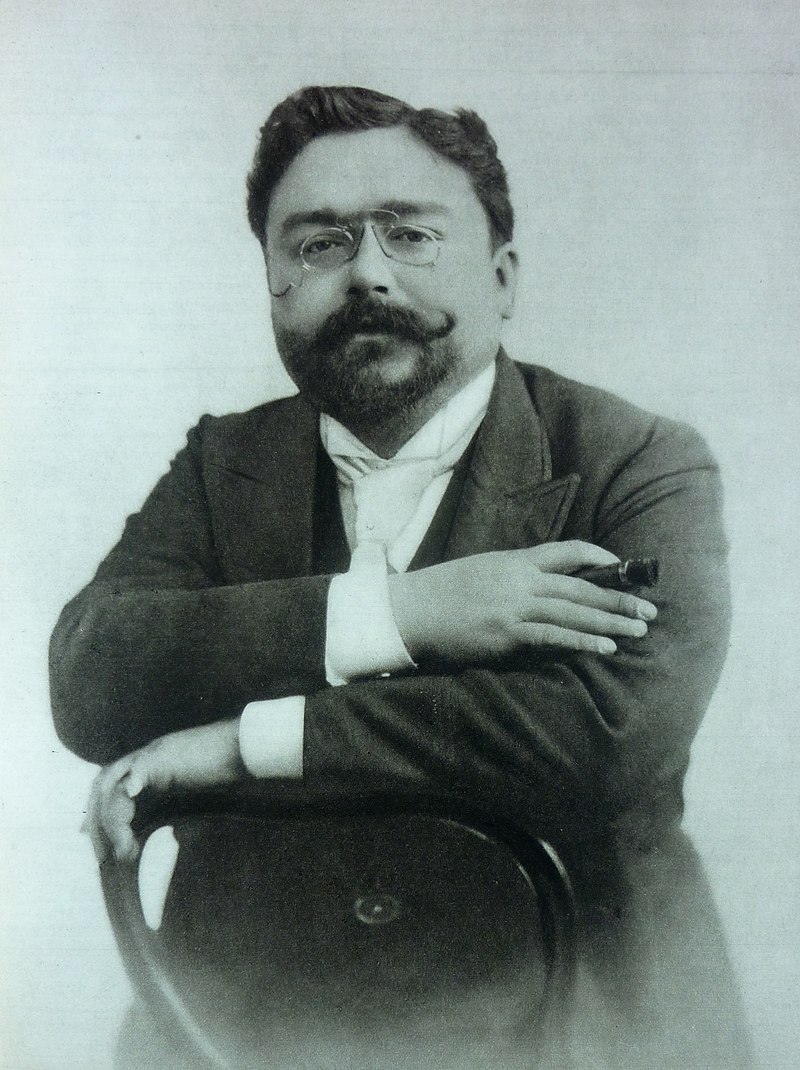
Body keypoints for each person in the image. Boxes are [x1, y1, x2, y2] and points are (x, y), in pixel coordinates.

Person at [50, 86, 751, 1068]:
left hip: (581, 1029)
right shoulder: (221, 465)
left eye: (411, 235)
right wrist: (403, 614)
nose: (367, 275)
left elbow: (603, 735)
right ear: (272, 286)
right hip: (237, 1030)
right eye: (318, 244)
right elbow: (91, 676)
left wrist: (244, 743)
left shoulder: (637, 462)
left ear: (501, 277)